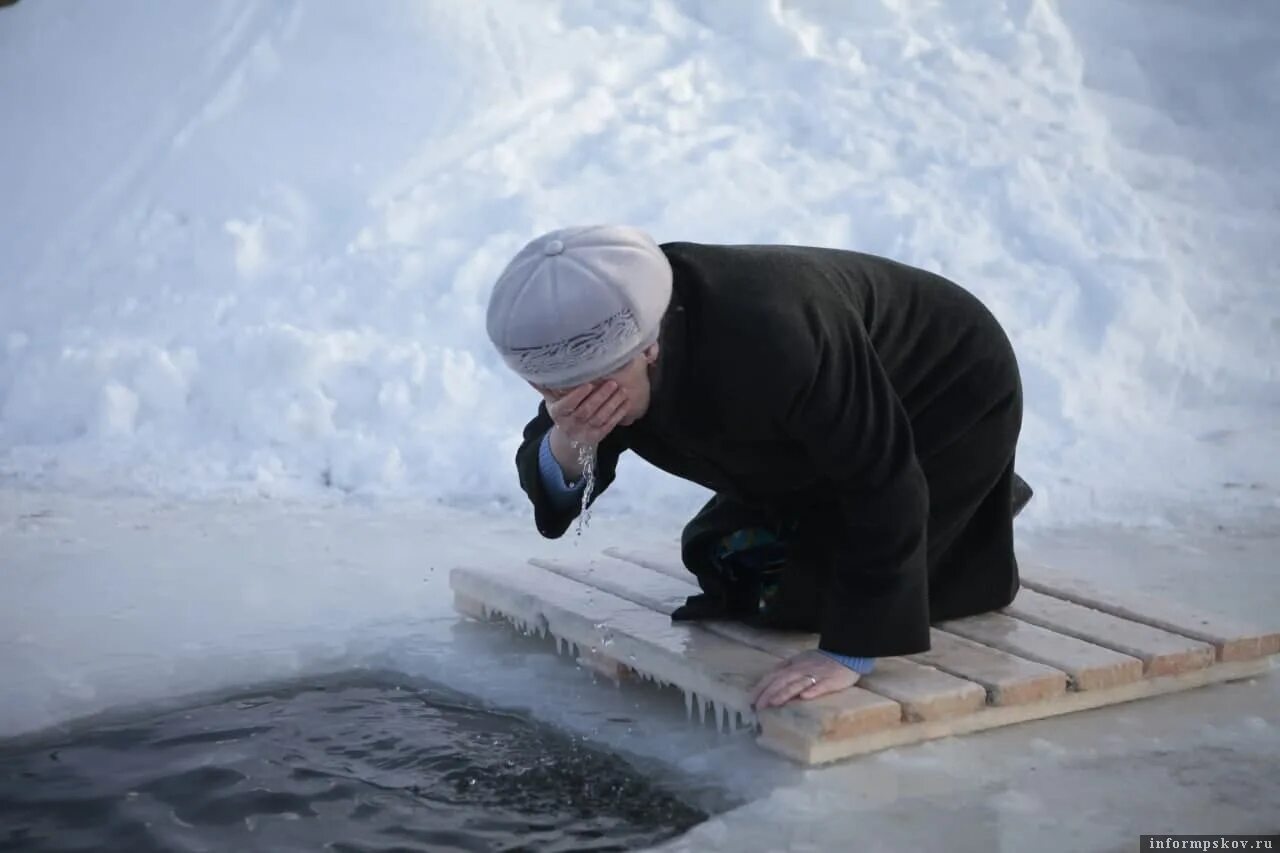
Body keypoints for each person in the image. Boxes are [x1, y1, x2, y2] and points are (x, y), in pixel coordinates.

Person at [485, 225, 1032, 710]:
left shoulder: (772, 330)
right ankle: (958, 508)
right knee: (727, 561)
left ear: (647, 348)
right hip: (819, 415)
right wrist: (570, 440)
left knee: (814, 605)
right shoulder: (592, 337)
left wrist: (851, 651)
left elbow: (882, 476)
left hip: (944, 390)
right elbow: (559, 493)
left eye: (591, 387)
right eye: (550, 390)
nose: (573, 399)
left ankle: (974, 504)